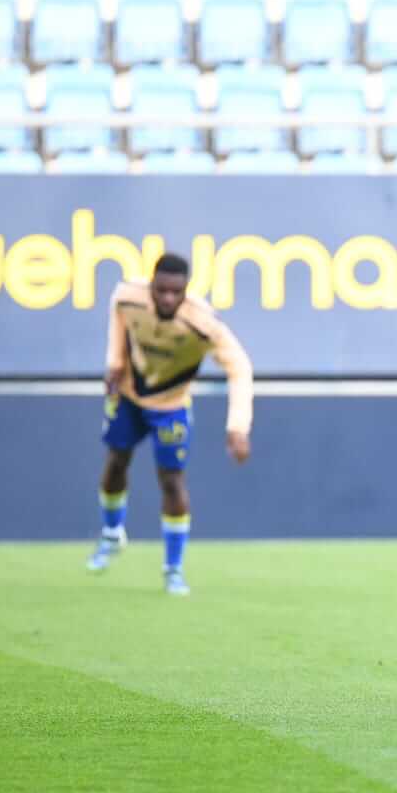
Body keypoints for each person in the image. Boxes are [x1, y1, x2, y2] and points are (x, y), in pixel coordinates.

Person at [87, 253, 254, 596]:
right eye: (160, 290)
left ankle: (173, 568)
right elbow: (117, 313)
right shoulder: (128, 297)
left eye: (174, 292)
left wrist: (238, 426)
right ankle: (112, 534)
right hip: (131, 396)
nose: (166, 299)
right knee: (116, 461)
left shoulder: (203, 323)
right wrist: (115, 361)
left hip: (171, 406)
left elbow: (239, 367)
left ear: (185, 291)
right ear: (151, 286)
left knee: (172, 481)